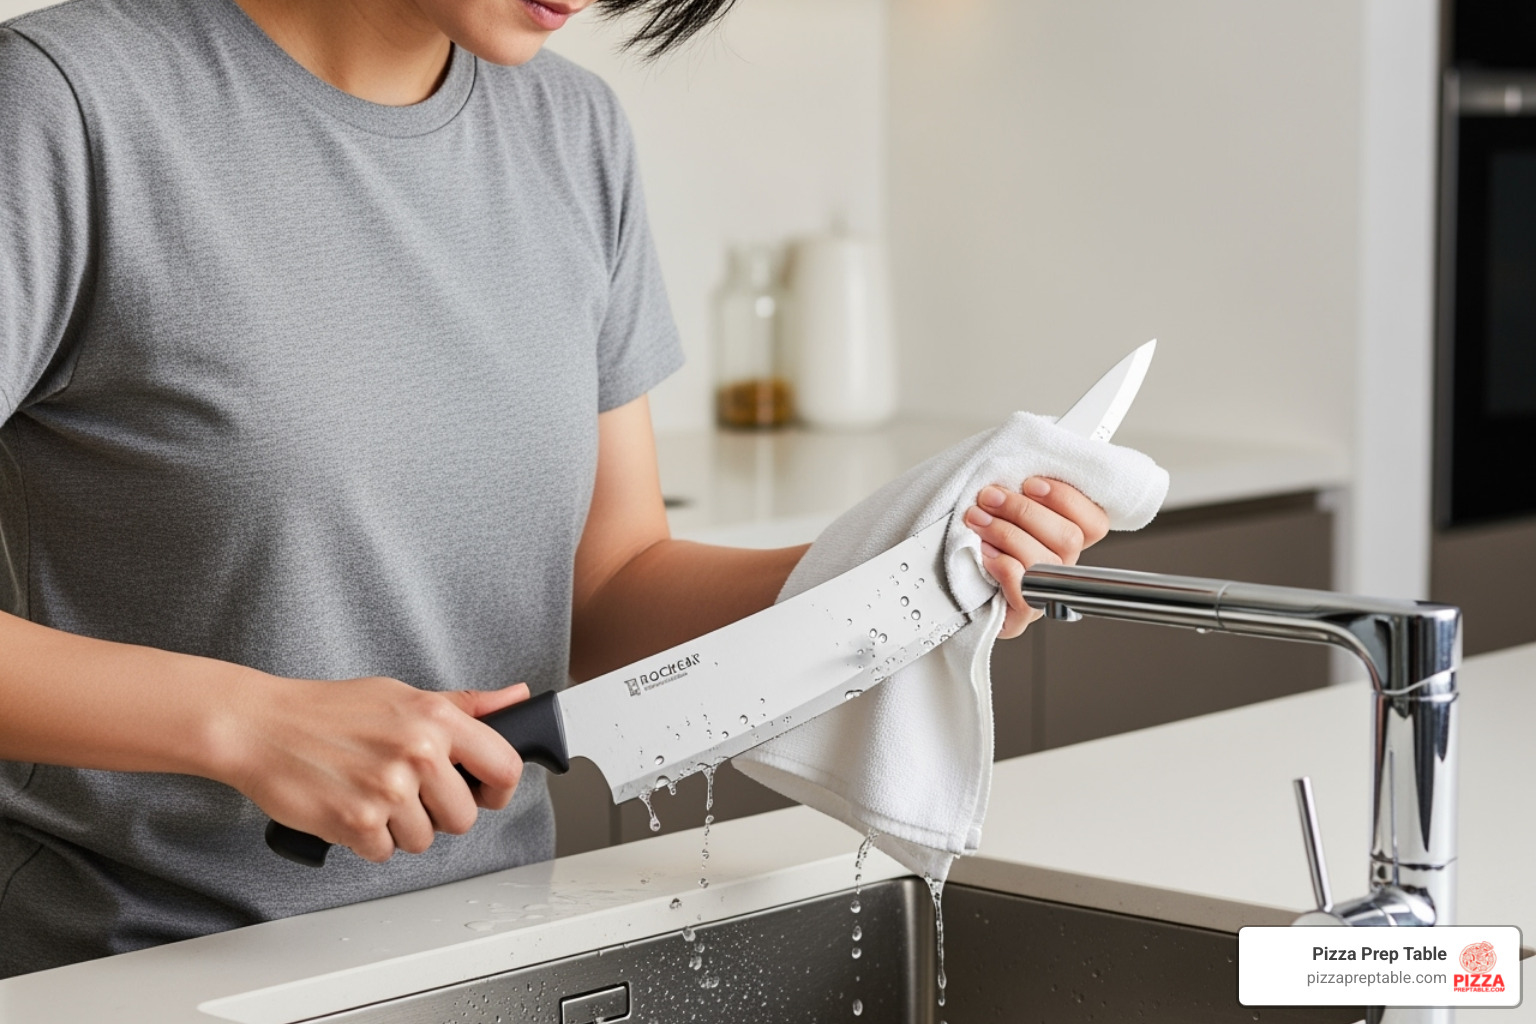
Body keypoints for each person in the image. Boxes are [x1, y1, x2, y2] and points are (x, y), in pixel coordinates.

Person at [0, 0, 1110, 977]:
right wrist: (246, 725)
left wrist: (905, 567)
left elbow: (613, 587)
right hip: (137, 965)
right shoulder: (66, 104)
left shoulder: (572, 134)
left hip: (494, 945)